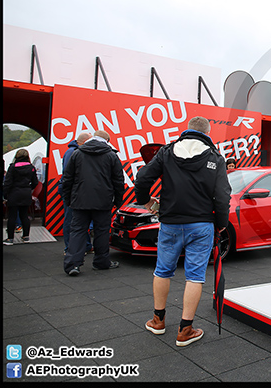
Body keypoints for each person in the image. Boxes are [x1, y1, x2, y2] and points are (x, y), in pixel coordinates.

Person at [135, 116, 230, 347]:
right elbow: (223, 195)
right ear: (208, 133)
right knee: (195, 276)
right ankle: (185, 330)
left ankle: (158, 321)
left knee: (162, 270)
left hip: (170, 223)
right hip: (202, 224)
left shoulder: (167, 152)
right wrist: (222, 223)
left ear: (187, 130)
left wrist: (146, 201)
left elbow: (142, 178)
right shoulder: (215, 157)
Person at [62, 130, 125, 276]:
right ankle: (101, 262)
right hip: (103, 200)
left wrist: (68, 198)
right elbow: (118, 180)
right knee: (102, 231)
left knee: (77, 231)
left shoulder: (77, 153)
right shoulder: (111, 155)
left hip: (79, 200)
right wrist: (118, 200)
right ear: (107, 140)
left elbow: (68, 178)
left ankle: (73, 265)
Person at [59, 132, 93, 254]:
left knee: (80, 219)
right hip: (74, 190)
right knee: (71, 219)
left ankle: (86, 246)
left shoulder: (73, 152)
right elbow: (69, 175)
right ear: (85, 142)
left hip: (76, 190)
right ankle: (69, 248)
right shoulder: (73, 153)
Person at [3, 149, 39, 245]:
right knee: (24, 216)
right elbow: (35, 182)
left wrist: (5, 195)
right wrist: (28, 188)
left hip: (14, 193)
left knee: (12, 216)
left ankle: (10, 238)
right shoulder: (31, 167)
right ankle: (26, 236)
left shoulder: (13, 167)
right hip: (26, 193)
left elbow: (8, 182)